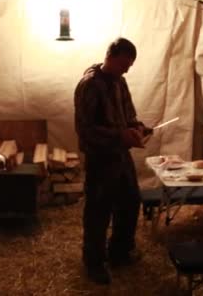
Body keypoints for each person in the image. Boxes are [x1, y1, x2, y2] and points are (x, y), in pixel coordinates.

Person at [74, 37, 149, 284]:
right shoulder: (89, 85)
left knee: (130, 202)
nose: (126, 69)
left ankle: (119, 252)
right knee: (98, 210)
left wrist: (138, 128)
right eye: (123, 64)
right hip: (100, 158)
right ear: (110, 57)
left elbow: (129, 115)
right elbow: (85, 129)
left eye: (129, 65)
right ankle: (94, 262)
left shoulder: (120, 82)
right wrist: (121, 135)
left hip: (120, 154)